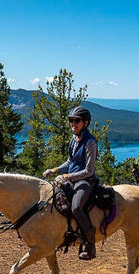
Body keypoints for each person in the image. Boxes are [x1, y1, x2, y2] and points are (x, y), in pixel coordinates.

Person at [43, 106, 98, 260]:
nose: (73, 124)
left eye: (77, 121)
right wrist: (55, 170)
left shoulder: (90, 142)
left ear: (85, 123)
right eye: (71, 120)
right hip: (73, 178)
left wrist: (67, 177)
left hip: (86, 181)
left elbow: (89, 170)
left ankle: (90, 244)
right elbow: (70, 162)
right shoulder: (73, 140)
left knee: (76, 207)